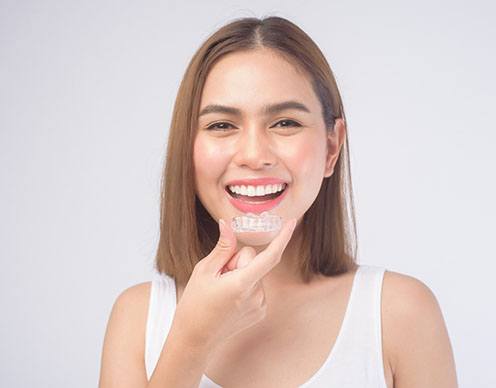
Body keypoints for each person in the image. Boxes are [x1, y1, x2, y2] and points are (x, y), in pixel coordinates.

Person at [98, 16, 458, 388]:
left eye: (285, 123)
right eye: (221, 125)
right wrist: (192, 341)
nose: (254, 155)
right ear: (186, 149)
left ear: (331, 148)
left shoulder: (400, 314)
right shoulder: (138, 318)